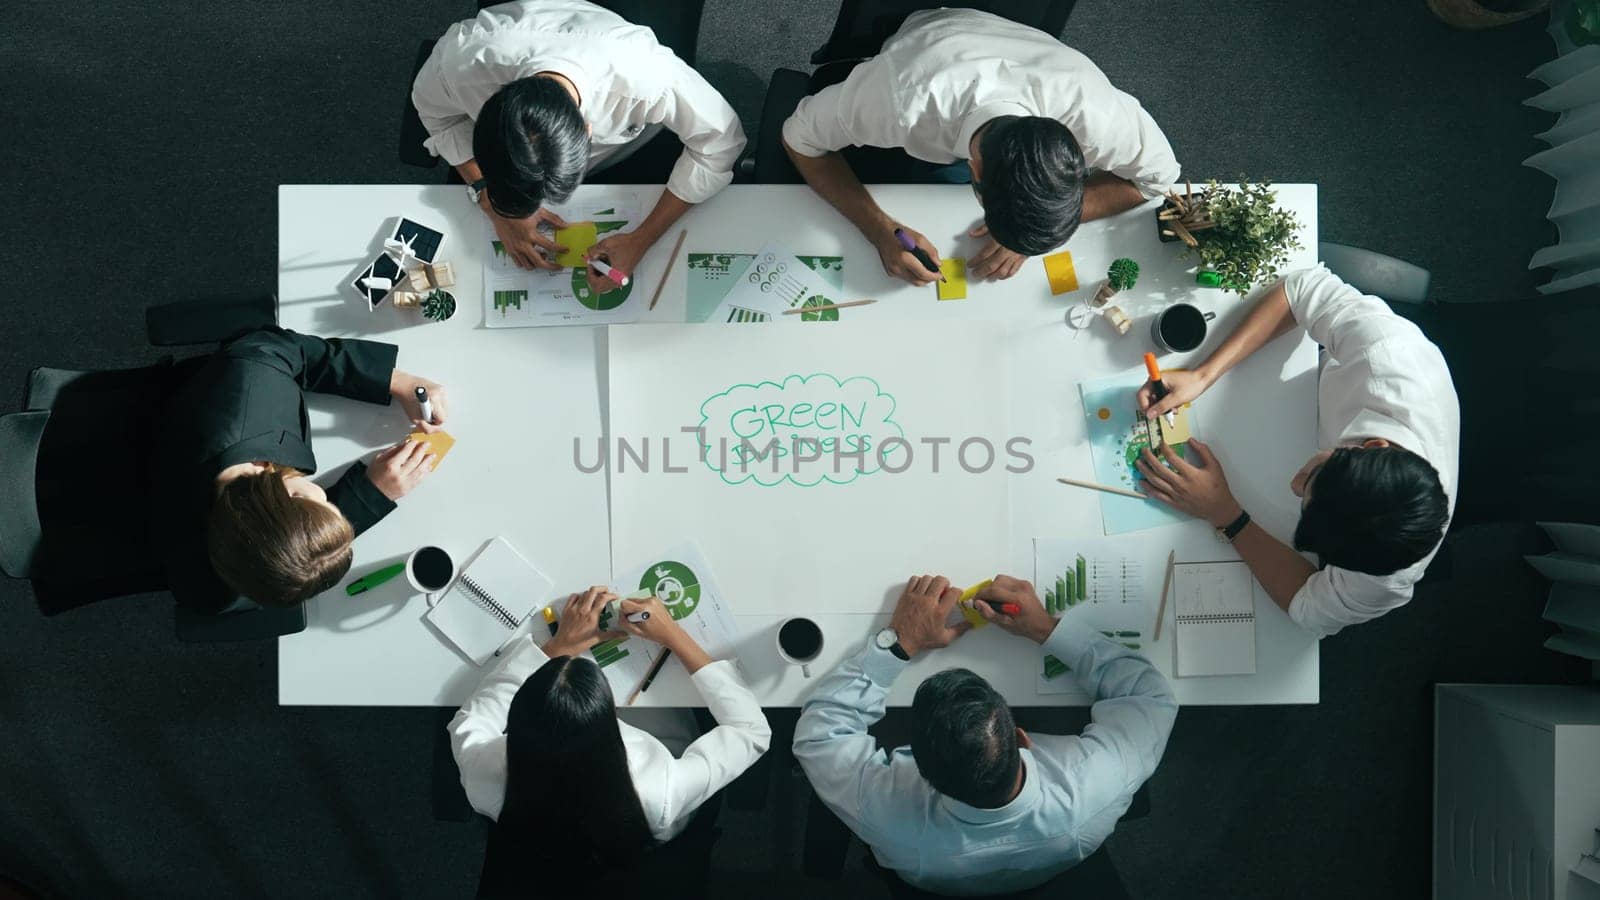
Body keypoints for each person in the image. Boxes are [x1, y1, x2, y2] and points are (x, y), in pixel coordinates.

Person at [793, 574, 1177, 896]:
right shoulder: (1094, 783)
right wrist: (1046, 628)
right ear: (1022, 738)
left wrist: (899, 644)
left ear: (919, 771)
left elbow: (819, 734)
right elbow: (1147, 695)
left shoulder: (889, 816)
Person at [1133, 265, 1459, 638]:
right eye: (1312, 477)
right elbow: (1302, 289)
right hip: (1297, 395)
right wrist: (1203, 375)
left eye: (1303, 492)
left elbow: (1309, 608)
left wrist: (1225, 513)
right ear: (1372, 446)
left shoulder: (1388, 577)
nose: (1294, 483)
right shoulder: (1388, 357)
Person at [781, 8, 1179, 285]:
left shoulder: (1097, 114)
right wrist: (881, 230)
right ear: (974, 172)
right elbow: (798, 138)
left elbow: (1157, 180)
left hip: (1016, 48)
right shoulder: (899, 102)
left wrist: (1026, 230)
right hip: (933, 37)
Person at [451, 586, 771, 896]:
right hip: (641, 821)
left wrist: (559, 647)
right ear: (610, 722)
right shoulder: (659, 791)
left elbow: (469, 722)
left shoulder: (487, 775)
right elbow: (751, 732)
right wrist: (673, 635)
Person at [412, 0, 746, 294]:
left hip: (627, 139)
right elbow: (435, 115)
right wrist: (490, 200)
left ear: (588, 132)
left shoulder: (648, 77)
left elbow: (721, 141)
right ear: (486, 116)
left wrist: (642, 239)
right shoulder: (458, 65)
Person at [151, 326, 446, 613]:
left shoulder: (253, 380)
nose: (326, 498)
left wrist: (394, 380)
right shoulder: (211, 586)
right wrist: (367, 494)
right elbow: (282, 568)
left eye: (325, 504)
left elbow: (282, 348)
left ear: (290, 492)